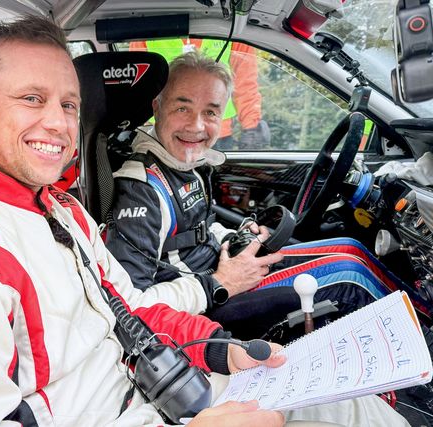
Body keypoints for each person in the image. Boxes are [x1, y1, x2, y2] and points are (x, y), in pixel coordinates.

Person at [0, 17, 408, 427]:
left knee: (352, 405)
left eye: (69, 105)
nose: (57, 123)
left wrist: (219, 348)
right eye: (31, 99)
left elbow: (131, 309)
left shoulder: (60, 209)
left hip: (160, 390)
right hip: (142, 411)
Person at [105, 51, 414, 340]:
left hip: (220, 273)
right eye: (182, 108)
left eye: (210, 112)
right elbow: (130, 305)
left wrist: (236, 239)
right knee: (350, 280)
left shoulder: (187, 164)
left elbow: (200, 230)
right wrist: (220, 283)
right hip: (206, 307)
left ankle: (419, 319)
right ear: (157, 107)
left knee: (349, 248)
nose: (196, 126)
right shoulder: (140, 190)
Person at [129, 39, 270, 150]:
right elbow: (139, 88)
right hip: (163, 134)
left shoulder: (231, 30)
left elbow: (244, 82)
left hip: (216, 136)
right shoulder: (146, 30)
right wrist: (139, 127)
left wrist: (251, 127)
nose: (195, 126)